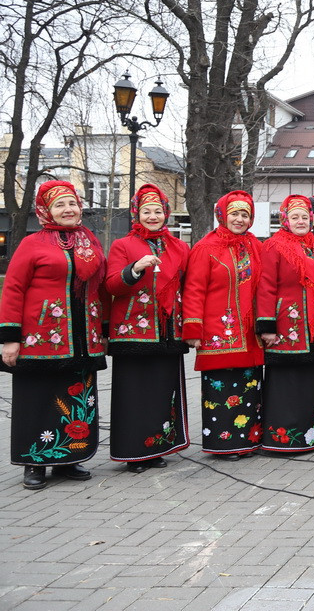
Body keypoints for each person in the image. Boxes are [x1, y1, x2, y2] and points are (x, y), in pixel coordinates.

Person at [0, 181, 107, 490]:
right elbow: (13, 289)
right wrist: (10, 337)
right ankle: (34, 462)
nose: (68, 210)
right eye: (60, 205)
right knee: (37, 399)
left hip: (81, 339)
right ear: (46, 210)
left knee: (73, 395)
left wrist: (102, 331)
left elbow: (98, 288)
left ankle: (68, 459)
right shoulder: (33, 243)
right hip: (42, 339)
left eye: (72, 203)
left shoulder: (90, 242)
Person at [105, 184, 191, 472]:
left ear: (166, 214)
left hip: (167, 330)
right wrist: (135, 268)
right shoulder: (123, 245)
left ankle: (157, 447)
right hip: (133, 330)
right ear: (136, 214)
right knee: (133, 392)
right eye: (146, 211)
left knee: (161, 391)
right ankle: (133, 452)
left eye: (157, 211)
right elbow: (111, 285)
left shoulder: (179, 247)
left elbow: (187, 286)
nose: (152, 216)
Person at [183, 190, 264, 460]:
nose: (240, 219)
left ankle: (249, 439)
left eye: (245, 214)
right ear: (222, 215)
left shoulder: (255, 246)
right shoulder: (206, 247)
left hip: (249, 332)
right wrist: (193, 329)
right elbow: (194, 289)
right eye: (235, 214)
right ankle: (224, 444)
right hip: (219, 331)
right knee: (222, 387)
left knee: (249, 385)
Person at [256, 195, 314, 455]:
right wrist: (266, 325)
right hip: (285, 324)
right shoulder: (274, 245)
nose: (300, 221)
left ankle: (311, 434)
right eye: (294, 216)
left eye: (304, 216)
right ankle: (282, 438)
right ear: (285, 219)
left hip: (313, 325)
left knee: (310, 380)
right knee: (285, 382)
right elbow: (265, 285)